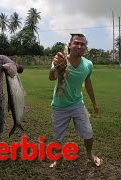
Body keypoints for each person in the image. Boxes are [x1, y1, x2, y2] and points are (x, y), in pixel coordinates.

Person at [49, 33, 101, 168]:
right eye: (76, 43)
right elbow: (51, 77)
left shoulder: (88, 64)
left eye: (82, 44)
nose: (79, 46)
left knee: (88, 133)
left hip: (78, 104)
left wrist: (94, 103)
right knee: (57, 138)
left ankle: (90, 154)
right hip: (59, 106)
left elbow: (88, 83)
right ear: (70, 45)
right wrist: (56, 67)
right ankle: (58, 159)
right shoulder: (61, 60)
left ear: (85, 47)